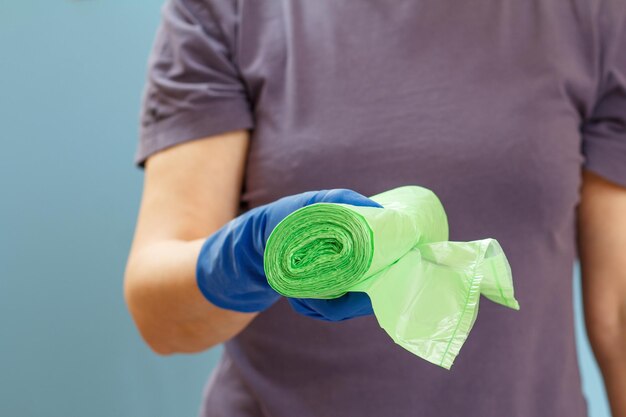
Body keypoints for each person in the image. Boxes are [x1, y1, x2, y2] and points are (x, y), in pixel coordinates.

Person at [124, 0, 626, 416]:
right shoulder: (227, 11)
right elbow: (161, 317)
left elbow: (620, 311)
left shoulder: (596, 14)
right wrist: (248, 257)